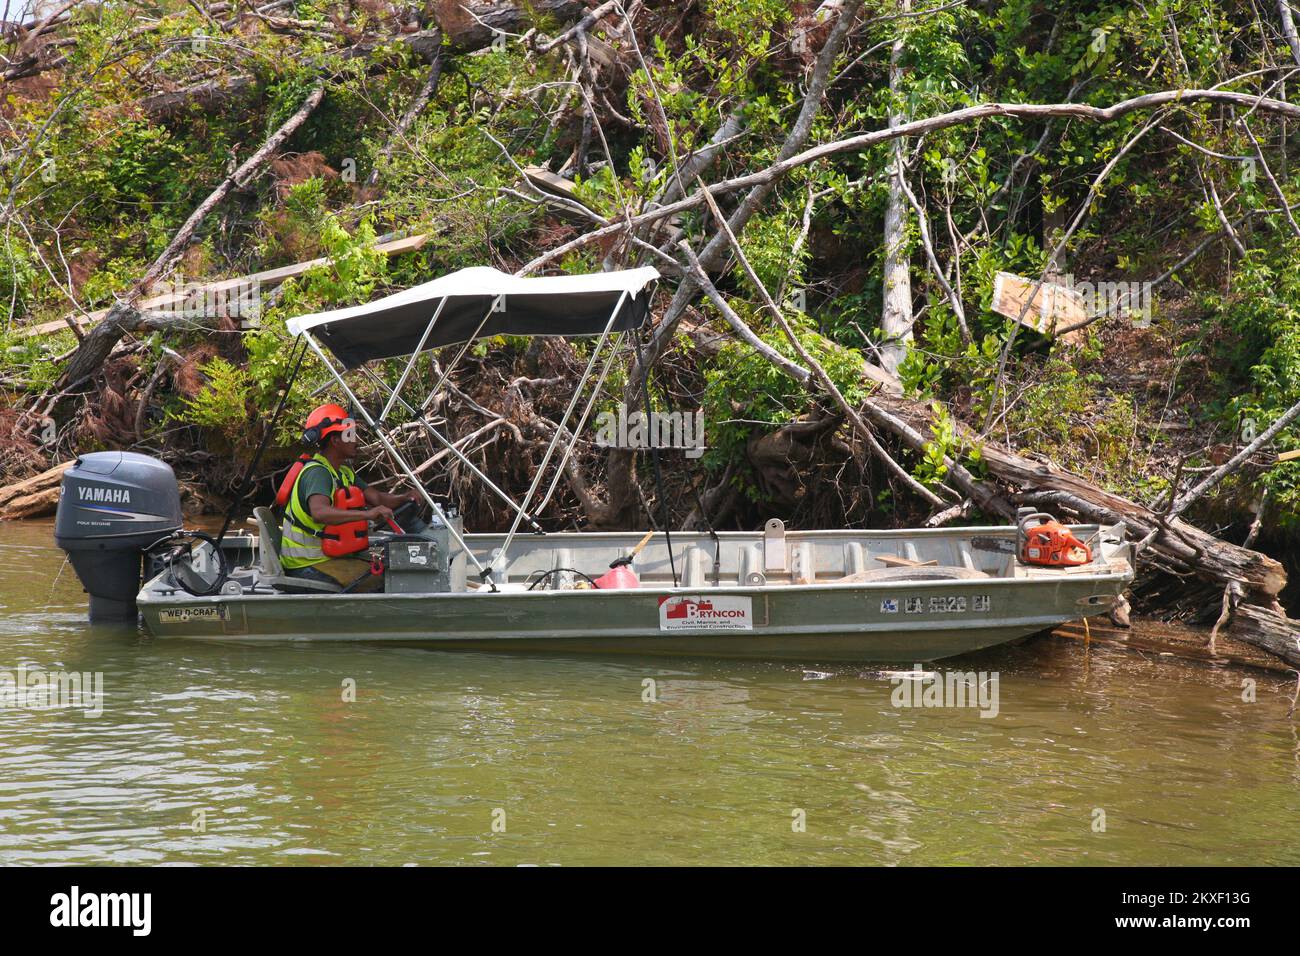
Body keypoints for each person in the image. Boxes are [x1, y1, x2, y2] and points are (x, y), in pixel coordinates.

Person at [279, 403, 420, 590]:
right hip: (307, 564)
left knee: (391, 568)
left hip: (330, 557)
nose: (355, 440)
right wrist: (368, 515)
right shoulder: (318, 473)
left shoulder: (344, 472)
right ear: (335, 441)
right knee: (384, 580)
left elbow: (377, 498)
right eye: (349, 435)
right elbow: (320, 513)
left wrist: (404, 497)